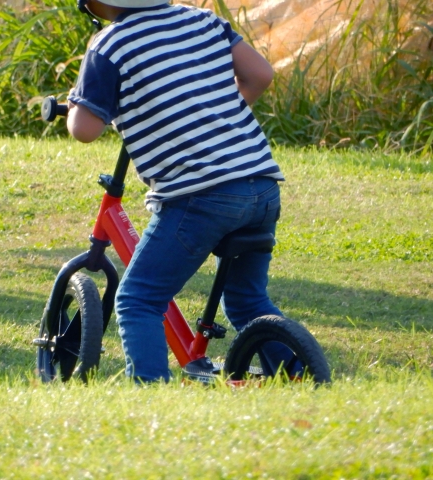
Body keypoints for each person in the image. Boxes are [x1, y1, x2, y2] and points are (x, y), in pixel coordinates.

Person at [67, 0, 292, 383]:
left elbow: (85, 129)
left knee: (139, 299)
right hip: (261, 184)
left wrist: (76, 103)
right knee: (247, 300)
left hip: (201, 196)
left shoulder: (109, 46)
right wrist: (211, 119)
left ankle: (152, 394)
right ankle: (302, 375)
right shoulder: (201, 19)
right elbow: (260, 74)